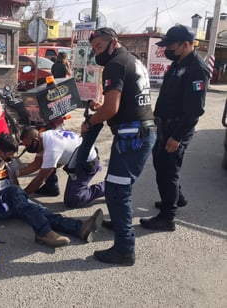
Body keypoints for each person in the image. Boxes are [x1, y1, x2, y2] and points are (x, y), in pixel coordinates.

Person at [83, 27, 157, 266]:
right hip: (139, 132)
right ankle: (117, 221)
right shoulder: (132, 60)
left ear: (113, 43)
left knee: (117, 190)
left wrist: (89, 121)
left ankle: (125, 249)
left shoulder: (115, 64)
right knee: (119, 186)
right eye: (93, 49)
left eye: (100, 47)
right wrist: (101, 106)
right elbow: (121, 100)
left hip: (132, 136)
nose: (96, 53)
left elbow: (112, 110)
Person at [0, 132, 104, 248]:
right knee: (17, 193)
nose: (13, 157)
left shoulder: (8, 162)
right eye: (10, 154)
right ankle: (43, 232)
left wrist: (22, 199)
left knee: (40, 210)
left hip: (9, 202)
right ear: (0, 152)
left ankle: (79, 229)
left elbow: (15, 180)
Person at [139, 25, 210, 231]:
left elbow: (195, 110)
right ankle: (176, 198)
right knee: (162, 165)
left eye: (171, 45)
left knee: (167, 171)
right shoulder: (179, 62)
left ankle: (167, 218)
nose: (166, 49)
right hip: (164, 124)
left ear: (186, 45)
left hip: (177, 128)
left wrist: (177, 137)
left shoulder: (196, 68)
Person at [19, 127, 105, 208]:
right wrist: (16, 173)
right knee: (47, 163)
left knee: (73, 200)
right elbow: (37, 163)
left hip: (87, 163)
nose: (27, 148)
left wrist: (22, 194)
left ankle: (107, 187)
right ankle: (51, 187)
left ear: (35, 140)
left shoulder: (52, 148)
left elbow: (40, 179)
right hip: (78, 158)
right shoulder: (44, 137)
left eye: (27, 145)